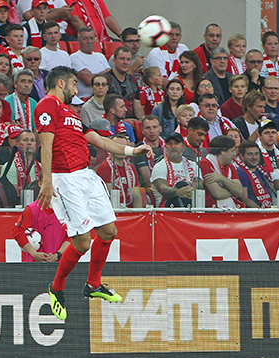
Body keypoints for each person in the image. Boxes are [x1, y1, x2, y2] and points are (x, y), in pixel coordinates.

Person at [34, 66, 151, 320]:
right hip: (65, 179)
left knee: (109, 231)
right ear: (61, 83)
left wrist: (132, 151)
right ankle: (57, 287)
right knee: (82, 242)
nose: (76, 90)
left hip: (86, 176)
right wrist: (47, 180)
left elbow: (99, 140)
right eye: (73, 84)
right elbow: (46, 143)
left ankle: (93, 284)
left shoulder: (71, 114)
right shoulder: (47, 105)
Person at [151, 131, 200, 208]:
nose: (173, 146)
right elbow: (162, 189)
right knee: (180, 185)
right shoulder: (159, 166)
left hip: (192, 206)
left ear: (183, 146)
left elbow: (199, 186)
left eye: (176, 143)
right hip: (167, 209)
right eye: (169, 143)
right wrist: (178, 192)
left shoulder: (193, 165)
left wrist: (189, 190)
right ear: (165, 147)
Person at [96, 133, 142, 208]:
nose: (121, 149)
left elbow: (137, 197)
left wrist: (138, 213)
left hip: (130, 211)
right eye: (118, 146)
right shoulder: (104, 167)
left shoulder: (131, 168)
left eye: (124, 147)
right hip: (113, 210)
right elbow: (109, 196)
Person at [199, 135, 245, 208]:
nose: (234, 154)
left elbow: (240, 192)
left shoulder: (230, 166)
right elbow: (218, 194)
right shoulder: (205, 164)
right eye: (232, 150)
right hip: (212, 210)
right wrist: (233, 192)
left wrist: (222, 178)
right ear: (223, 151)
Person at [70, 26, 110, 99]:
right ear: (78, 40)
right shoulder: (75, 57)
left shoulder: (100, 56)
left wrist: (92, 74)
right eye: (85, 39)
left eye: (91, 38)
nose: (89, 41)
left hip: (104, 96)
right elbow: (88, 80)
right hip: (85, 97)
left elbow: (110, 76)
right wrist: (105, 72)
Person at [105, 46, 143, 120]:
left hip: (131, 122)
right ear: (114, 61)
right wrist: (124, 121)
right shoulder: (105, 80)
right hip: (113, 122)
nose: (125, 62)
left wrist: (142, 120)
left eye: (128, 59)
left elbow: (137, 107)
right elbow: (104, 109)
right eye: (122, 59)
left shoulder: (133, 80)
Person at [235, 140, 274, 208]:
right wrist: (262, 211)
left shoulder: (263, 171)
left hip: (267, 209)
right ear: (242, 156)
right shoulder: (240, 173)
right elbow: (244, 199)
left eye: (256, 154)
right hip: (253, 212)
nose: (254, 157)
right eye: (250, 154)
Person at [260, 31, 279, 99]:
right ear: (263, 46)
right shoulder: (260, 63)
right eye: (269, 44)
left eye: (276, 44)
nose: (273, 46)